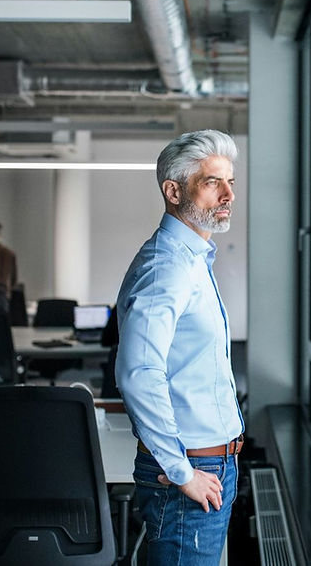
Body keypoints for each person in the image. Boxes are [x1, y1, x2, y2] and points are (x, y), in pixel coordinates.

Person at [115, 129, 244, 565]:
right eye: (212, 182)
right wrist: (181, 471)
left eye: (230, 182)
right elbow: (138, 373)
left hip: (211, 466)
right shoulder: (167, 267)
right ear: (174, 191)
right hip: (190, 473)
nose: (228, 194)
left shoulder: (193, 260)